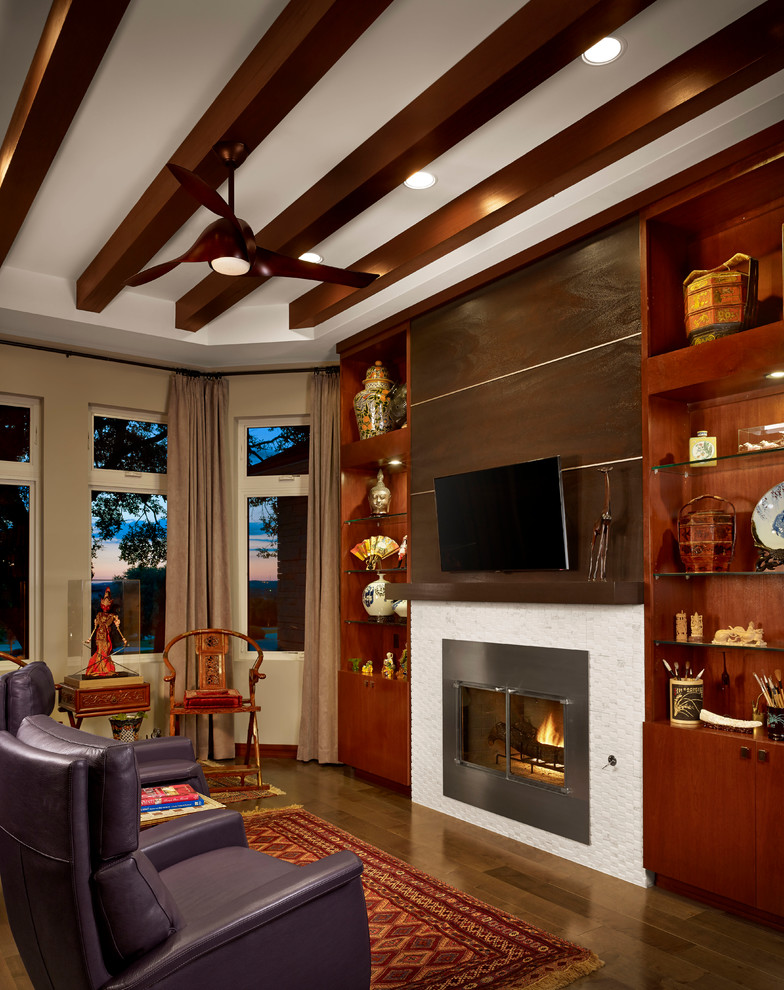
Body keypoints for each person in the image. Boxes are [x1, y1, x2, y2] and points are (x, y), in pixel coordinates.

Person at [84, 587, 127, 675]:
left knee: (105, 651)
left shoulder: (112, 616)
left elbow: (118, 628)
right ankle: (99, 669)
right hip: (99, 636)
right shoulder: (99, 615)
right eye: (104, 605)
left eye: (107, 605)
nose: (105, 607)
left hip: (106, 637)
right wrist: (89, 638)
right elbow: (95, 627)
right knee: (99, 651)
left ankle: (104, 668)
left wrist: (123, 638)